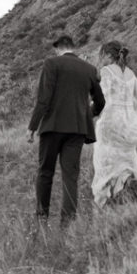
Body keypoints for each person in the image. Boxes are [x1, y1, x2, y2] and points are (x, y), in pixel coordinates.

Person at [28, 33, 105, 229]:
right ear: (73, 46)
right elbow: (100, 101)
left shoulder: (51, 64)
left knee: (45, 172)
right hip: (77, 129)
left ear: (58, 48)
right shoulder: (88, 68)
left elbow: (43, 98)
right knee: (70, 176)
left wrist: (32, 127)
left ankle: (42, 219)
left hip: (52, 127)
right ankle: (67, 224)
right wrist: (88, 114)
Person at [91, 40, 137, 208]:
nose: (101, 60)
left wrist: (90, 111)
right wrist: (130, 111)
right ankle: (123, 197)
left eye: (102, 56)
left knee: (105, 160)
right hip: (129, 124)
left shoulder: (106, 71)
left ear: (109, 55)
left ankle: (103, 201)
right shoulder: (131, 74)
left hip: (110, 121)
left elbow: (101, 98)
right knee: (125, 159)